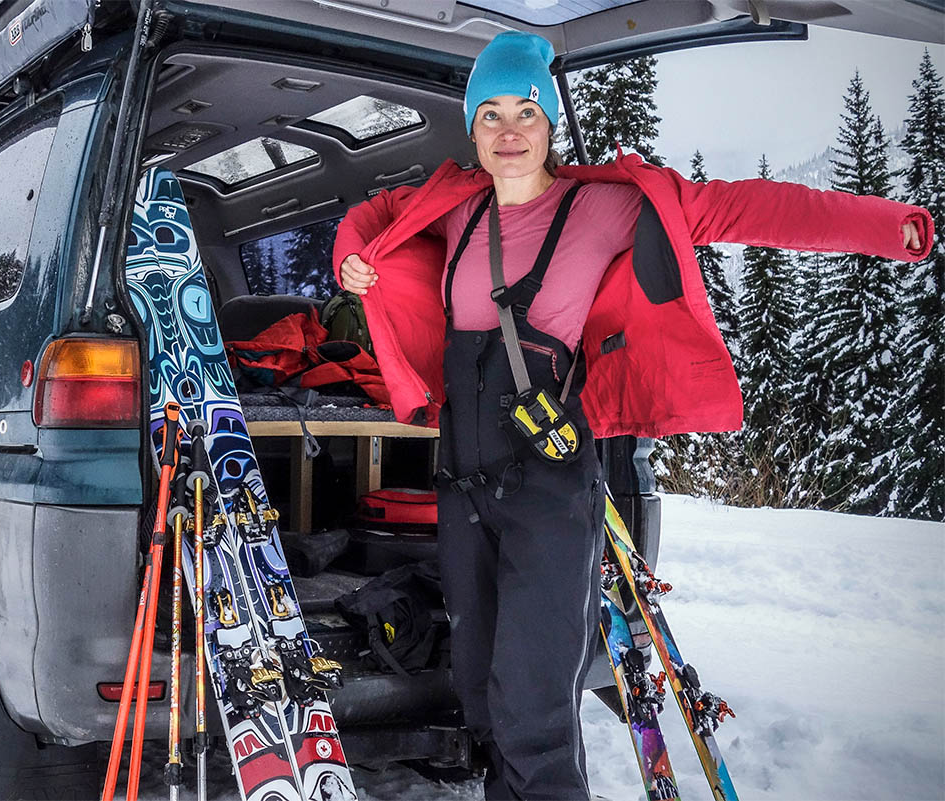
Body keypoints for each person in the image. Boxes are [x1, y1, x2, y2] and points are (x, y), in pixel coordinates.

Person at [332, 31, 932, 801]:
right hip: (463, 483)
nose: (509, 131)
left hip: (548, 487)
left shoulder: (604, 206)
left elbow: (749, 206)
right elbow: (373, 215)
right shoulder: (455, 209)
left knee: (533, 710)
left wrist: (886, 228)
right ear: (472, 127)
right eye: (491, 114)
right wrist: (352, 255)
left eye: (526, 111)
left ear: (550, 123)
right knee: (482, 697)